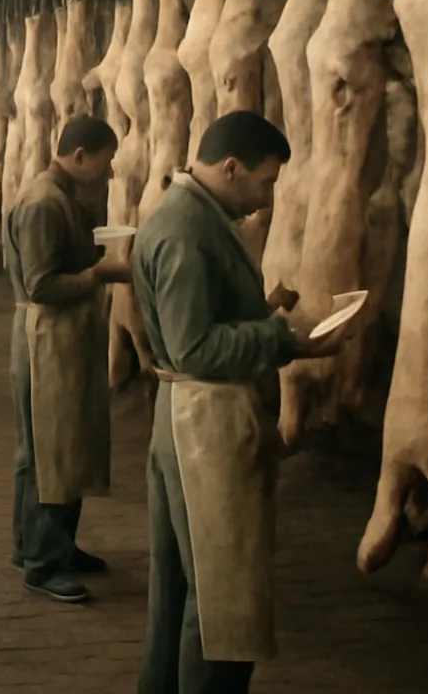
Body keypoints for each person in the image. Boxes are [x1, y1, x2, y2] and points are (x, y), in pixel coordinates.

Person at [132, 111, 355, 694]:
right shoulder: (184, 230)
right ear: (230, 168)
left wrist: (264, 309)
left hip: (190, 416)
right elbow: (196, 346)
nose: (265, 199)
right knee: (221, 597)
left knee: (184, 586)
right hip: (204, 424)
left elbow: (203, 324)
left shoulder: (197, 219)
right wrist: (289, 340)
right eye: (265, 182)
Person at [6, 114, 131, 604]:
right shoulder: (43, 203)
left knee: (50, 449)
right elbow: (41, 284)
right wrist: (101, 274)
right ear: (79, 157)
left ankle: (40, 546)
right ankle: (42, 564)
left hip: (55, 337)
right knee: (49, 452)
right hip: (44, 337)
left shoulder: (58, 196)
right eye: (104, 164)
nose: (108, 173)